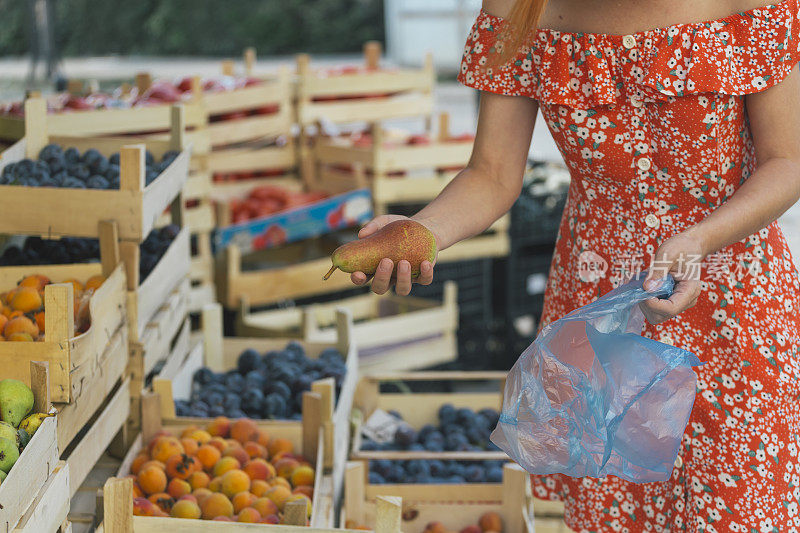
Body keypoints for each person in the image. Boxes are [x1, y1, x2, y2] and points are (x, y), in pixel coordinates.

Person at [349, 0, 800, 529]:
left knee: (736, 505)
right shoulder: (517, 8)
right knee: (617, 505)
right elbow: (492, 174)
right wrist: (423, 231)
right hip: (597, 301)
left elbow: (786, 161)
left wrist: (701, 238)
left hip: (732, 291)